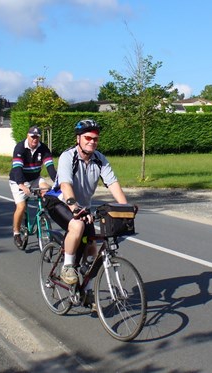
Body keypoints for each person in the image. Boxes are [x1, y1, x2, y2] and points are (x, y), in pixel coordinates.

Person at [44, 119, 128, 303]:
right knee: (76, 225)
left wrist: (125, 209)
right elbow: (65, 184)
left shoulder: (99, 159)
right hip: (59, 201)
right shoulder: (69, 156)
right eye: (88, 137)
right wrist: (74, 207)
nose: (92, 141)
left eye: (95, 139)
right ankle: (67, 267)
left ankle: (88, 291)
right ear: (78, 138)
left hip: (83, 207)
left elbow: (112, 183)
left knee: (92, 246)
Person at [9, 126, 56, 249]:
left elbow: (50, 167)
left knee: (46, 189)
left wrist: (58, 182)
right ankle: (16, 233)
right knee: (21, 206)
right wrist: (22, 185)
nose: (35, 139)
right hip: (18, 180)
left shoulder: (43, 148)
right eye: (32, 136)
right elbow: (17, 168)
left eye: (37, 137)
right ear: (28, 136)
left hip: (35, 178)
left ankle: (43, 216)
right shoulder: (20, 148)